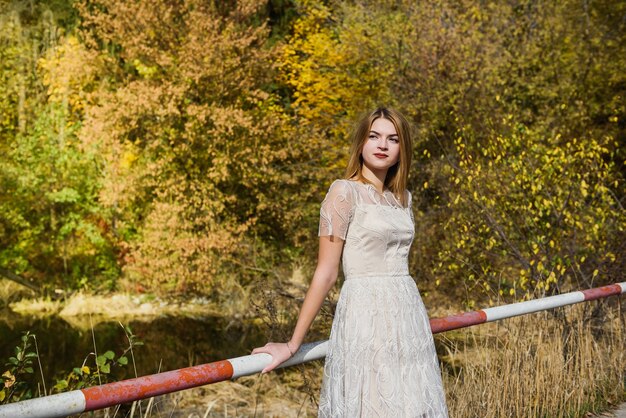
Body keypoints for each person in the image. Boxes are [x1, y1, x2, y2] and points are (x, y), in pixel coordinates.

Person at [251, 107, 449, 417]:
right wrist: (293, 343)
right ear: (361, 143)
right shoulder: (343, 192)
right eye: (374, 136)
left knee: (413, 404)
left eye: (392, 139)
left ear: (401, 150)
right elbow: (326, 273)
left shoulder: (404, 198)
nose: (382, 145)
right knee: (373, 404)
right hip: (365, 315)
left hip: (408, 316)